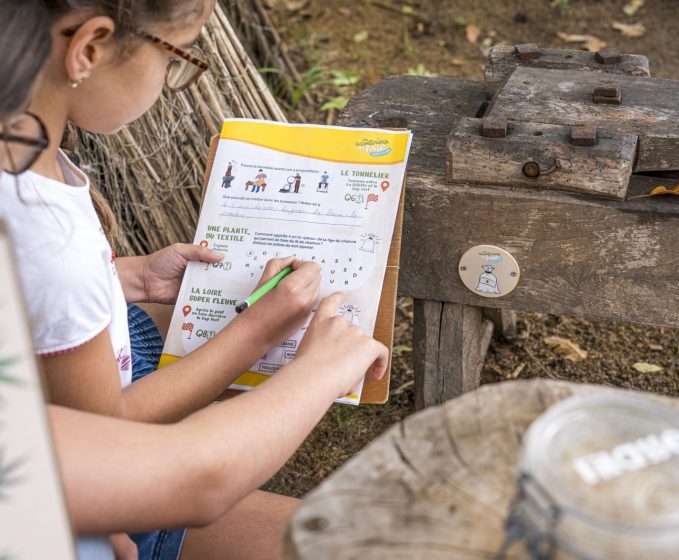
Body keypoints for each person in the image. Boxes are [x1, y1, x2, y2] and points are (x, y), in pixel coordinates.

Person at [0, 1, 388, 558]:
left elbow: (39, 301)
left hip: (66, 431)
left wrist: (124, 279)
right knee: (366, 543)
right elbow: (122, 449)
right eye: (174, 59)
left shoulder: (24, 147)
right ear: (88, 49)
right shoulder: (45, 233)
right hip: (72, 480)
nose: (170, 80)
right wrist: (290, 352)